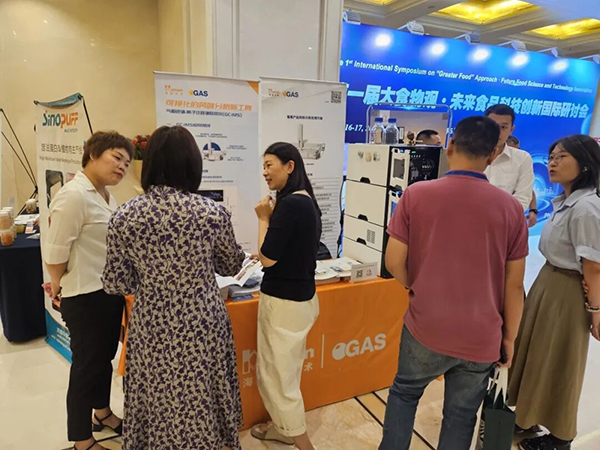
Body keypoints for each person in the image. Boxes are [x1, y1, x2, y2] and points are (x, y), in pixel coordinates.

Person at [380, 116, 529, 450]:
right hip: (481, 335)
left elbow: (393, 261)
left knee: (404, 394)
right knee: (461, 416)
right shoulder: (510, 209)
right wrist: (509, 338)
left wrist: (415, 286)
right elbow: (514, 285)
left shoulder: (416, 195)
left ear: (449, 147)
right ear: (492, 155)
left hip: (426, 325)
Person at [102, 126, 246, 450]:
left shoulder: (124, 216)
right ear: (193, 164)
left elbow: (116, 282)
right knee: (203, 390)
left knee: (156, 393)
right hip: (203, 321)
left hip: (152, 323)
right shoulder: (212, 213)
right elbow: (230, 266)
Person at [508, 135, 600, 450]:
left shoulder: (586, 207)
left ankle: (561, 437)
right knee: (538, 355)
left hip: (567, 293)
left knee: (561, 361)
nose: (552, 163)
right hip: (549, 283)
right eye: (551, 157)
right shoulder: (567, 201)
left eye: (562, 157)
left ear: (585, 164)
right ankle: (528, 415)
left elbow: (593, 266)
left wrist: (596, 311)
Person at [44, 131, 133, 450]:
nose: (122, 167)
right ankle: (82, 439)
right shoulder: (74, 195)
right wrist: (58, 285)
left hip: (108, 292)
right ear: (93, 155)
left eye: (127, 163)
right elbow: (55, 253)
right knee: (85, 366)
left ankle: (102, 413)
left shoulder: (106, 196)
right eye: (116, 158)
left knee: (103, 358)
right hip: (84, 296)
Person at [251, 142, 322, 450]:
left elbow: (267, 258)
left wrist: (263, 219)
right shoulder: (306, 200)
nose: (265, 172)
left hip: (283, 303)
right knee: (283, 373)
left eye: (270, 165)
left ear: (289, 166)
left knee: (279, 378)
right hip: (300, 298)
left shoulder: (290, 204)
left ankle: (303, 443)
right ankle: (283, 429)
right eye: (264, 166)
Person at [484, 104, 534, 211]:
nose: (497, 132)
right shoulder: (469, 154)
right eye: (492, 126)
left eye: (503, 127)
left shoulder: (523, 158)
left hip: (505, 218)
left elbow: (523, 198)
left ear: (511, 129)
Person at [507, 134, 538, 227]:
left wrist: (533, 210)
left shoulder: (522, 164)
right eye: (512, 150)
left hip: (513, 217)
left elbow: (529, 190)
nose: (516, 153)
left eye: (518, 150)